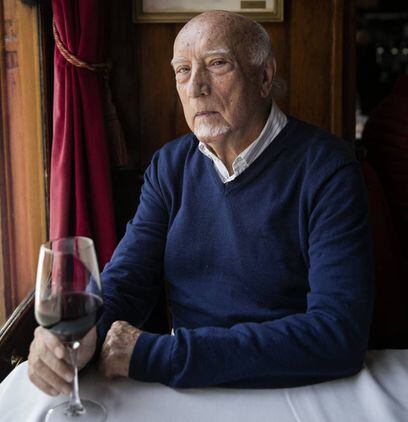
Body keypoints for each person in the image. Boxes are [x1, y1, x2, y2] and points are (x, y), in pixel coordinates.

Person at [28, 10, 373, 395]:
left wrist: (161, 355)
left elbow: (339, 333)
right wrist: (84, 336)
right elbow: (129, 277)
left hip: (292, 388)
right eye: (182, 70)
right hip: (191, 388)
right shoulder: (170, 165)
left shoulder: (328, 168)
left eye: (217, 64)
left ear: (264, 76)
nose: (196, 87)